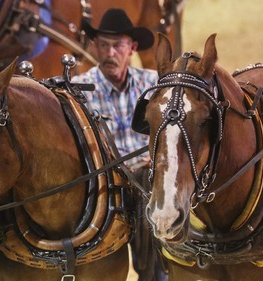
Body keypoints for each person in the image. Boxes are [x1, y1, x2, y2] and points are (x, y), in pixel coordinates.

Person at [71, 8, 167, 281]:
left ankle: (155, 272)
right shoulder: (79, 89)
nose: (110, 53)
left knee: (151, 189)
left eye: (117, 46)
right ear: (95, 47)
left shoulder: (152, 84)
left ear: (132, 47)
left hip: (146, 180)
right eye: (103, 45)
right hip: (103, 188)